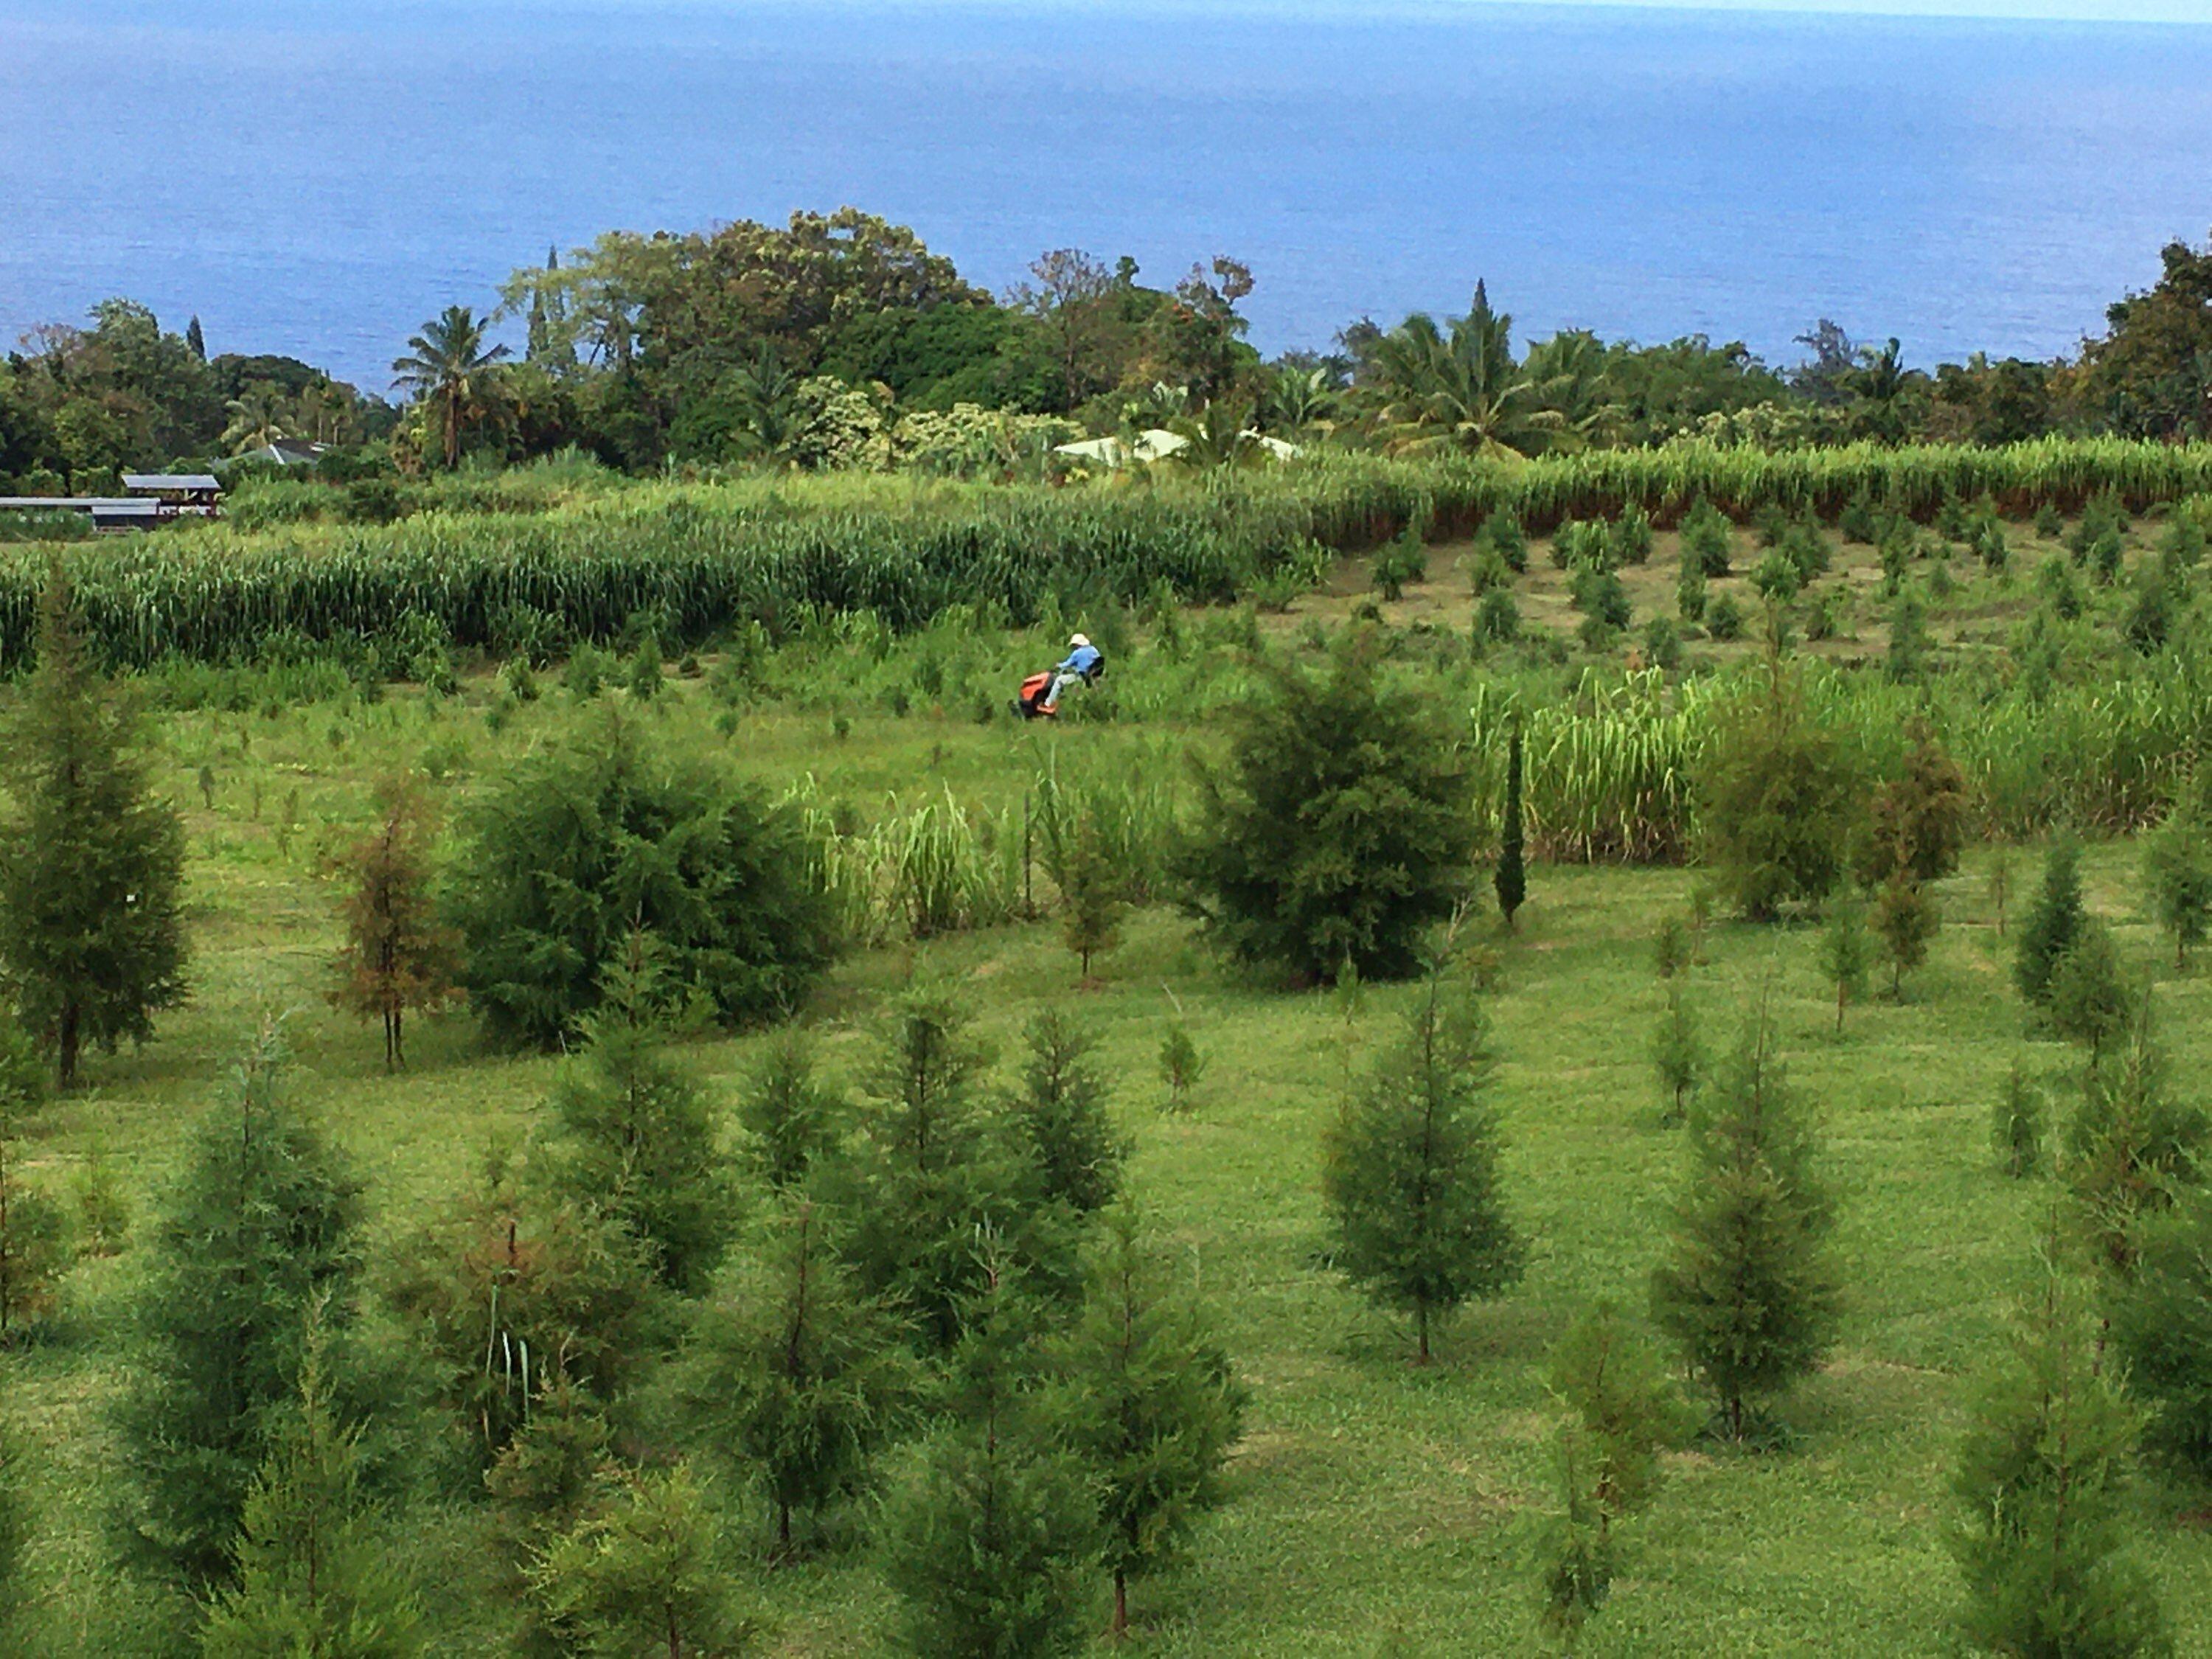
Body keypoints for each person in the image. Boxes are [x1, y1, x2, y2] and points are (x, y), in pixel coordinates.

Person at [1042, 632, 1102, 712]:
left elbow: (1067, 664)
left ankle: (1048, 703)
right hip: (1094, 676)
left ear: (1078, 644)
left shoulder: (1077, 653)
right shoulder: (1094, 650)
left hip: (1082, 677)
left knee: (1059, 680)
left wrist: (1058, 665)